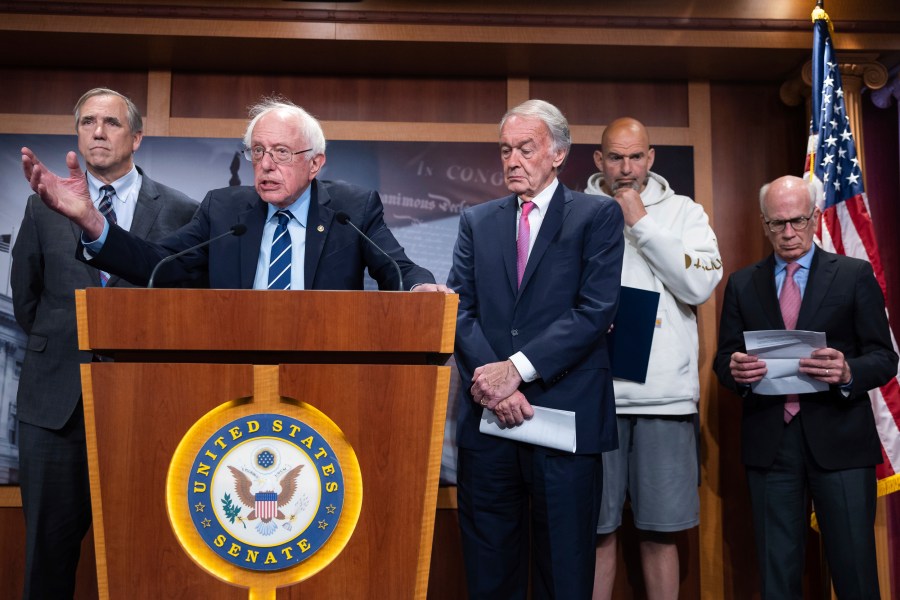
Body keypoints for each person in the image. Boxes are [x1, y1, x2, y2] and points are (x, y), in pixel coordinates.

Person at [11, 87, 199, 599]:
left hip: (146, 412)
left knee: (145, 556)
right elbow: (27, 303)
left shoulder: (182, 211)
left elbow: (188, 310)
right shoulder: (42, 207)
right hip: (54, 411)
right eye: (88, 121)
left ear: (136, 137)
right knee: (47, 562)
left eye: (111, 123)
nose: (97, 131)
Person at [448, 99, 624, 599]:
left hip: (564, 419)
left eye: (525, 148)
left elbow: (595, 310)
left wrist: (517, 371)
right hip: (490, 424)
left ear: (558, 154)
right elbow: (460, 310)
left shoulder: (597, 215)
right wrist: (497, 386)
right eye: (505, 149)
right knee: (489, 570)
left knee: (564, 573)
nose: (512, 160)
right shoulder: (477, 220)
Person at [22, 96, 449, 293]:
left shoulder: (351, 209)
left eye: (281, 153)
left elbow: (398, 269)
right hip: (234, 372)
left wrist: (421, 290)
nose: (264, 165)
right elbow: (156, 264)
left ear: (316, 163)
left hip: (326, 368)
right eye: (257, 151)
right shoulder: (224, 209)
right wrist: (93, 223)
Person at [714, 175, 897, 599]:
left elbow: (885, 358)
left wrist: (849, 371)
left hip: (842, 443)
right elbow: (725, 360)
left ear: (815, 218)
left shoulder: (853, 274)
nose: (789, 233)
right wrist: (735, 370)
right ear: (764, 224)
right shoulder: (744, 283)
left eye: (797, 220)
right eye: (778, 224)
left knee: (855, 573)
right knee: (778, 578)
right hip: (771, 445)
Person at [585, 117, 722, 600]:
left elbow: (699, 285)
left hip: (664, 399)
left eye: (636, 157)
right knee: (594, 532)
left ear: (651, 158)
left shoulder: (686, 212)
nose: (627, 169)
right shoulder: (573, 210)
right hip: (593, 396)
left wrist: (640, 222)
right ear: (599, 160)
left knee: (661, 532)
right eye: (616, 158)